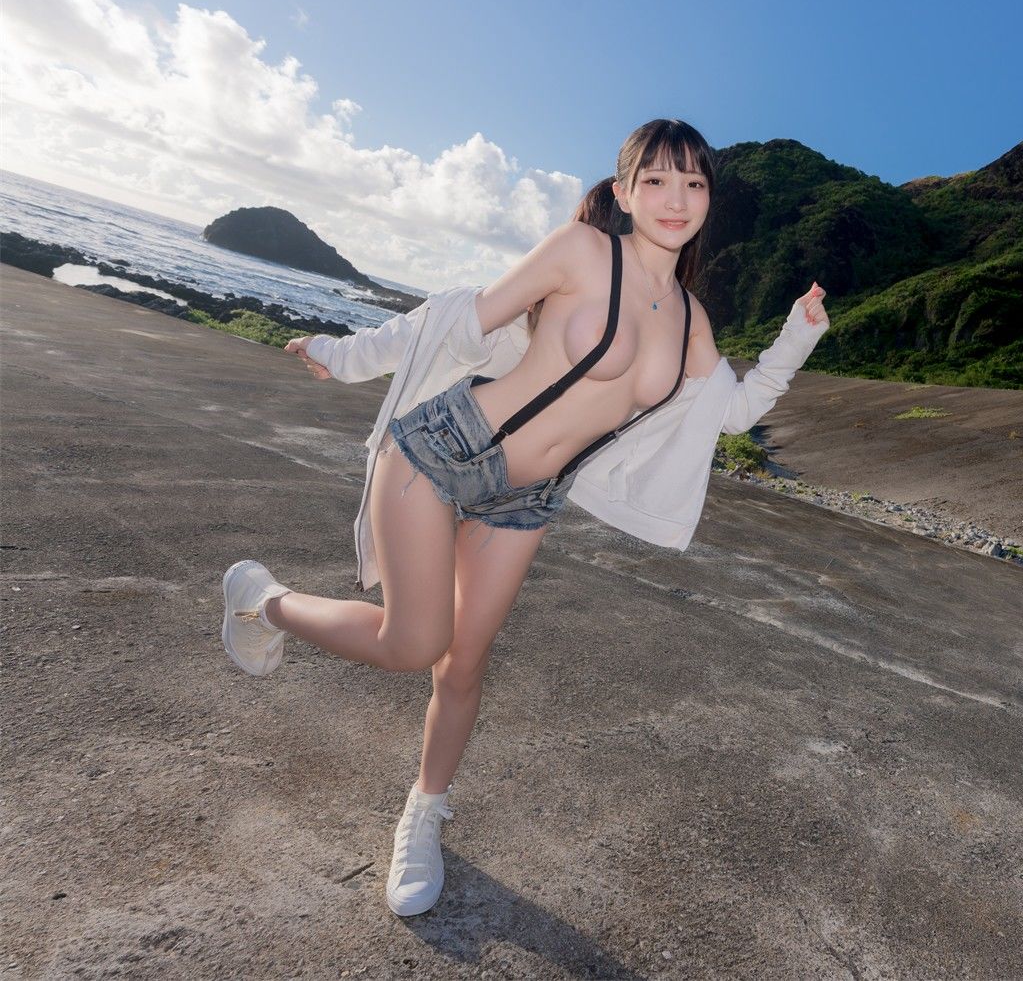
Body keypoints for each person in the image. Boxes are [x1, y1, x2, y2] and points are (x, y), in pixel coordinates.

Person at [219, 118, 829, 917]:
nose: (675, 198)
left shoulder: (692, 321)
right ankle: (262, 600)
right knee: (413, 643)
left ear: (709, 199)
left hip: (528, 499)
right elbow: (458, 318)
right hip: (443, 451)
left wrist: (796, 337)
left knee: (461, 666)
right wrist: (345, 354)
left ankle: (424, 812)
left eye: (693, 182)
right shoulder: (583, 252)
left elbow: (735, 412)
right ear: (624, 192)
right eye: (655, 179)